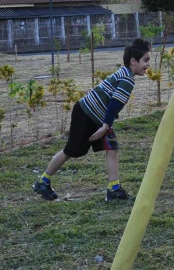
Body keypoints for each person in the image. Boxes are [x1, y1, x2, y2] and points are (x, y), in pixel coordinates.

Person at [32, 38, 152, 202]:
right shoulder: (127, 79)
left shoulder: (125, 74)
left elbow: (111, 105)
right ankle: (42, 181)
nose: (148, 65)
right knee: (72, 150)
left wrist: (105, 125)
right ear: (133, 61)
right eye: (146, 60)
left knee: (112, 148)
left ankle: (114, 190)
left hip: (97, 116)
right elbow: (114, 104)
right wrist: (105, 126)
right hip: (86, 114)